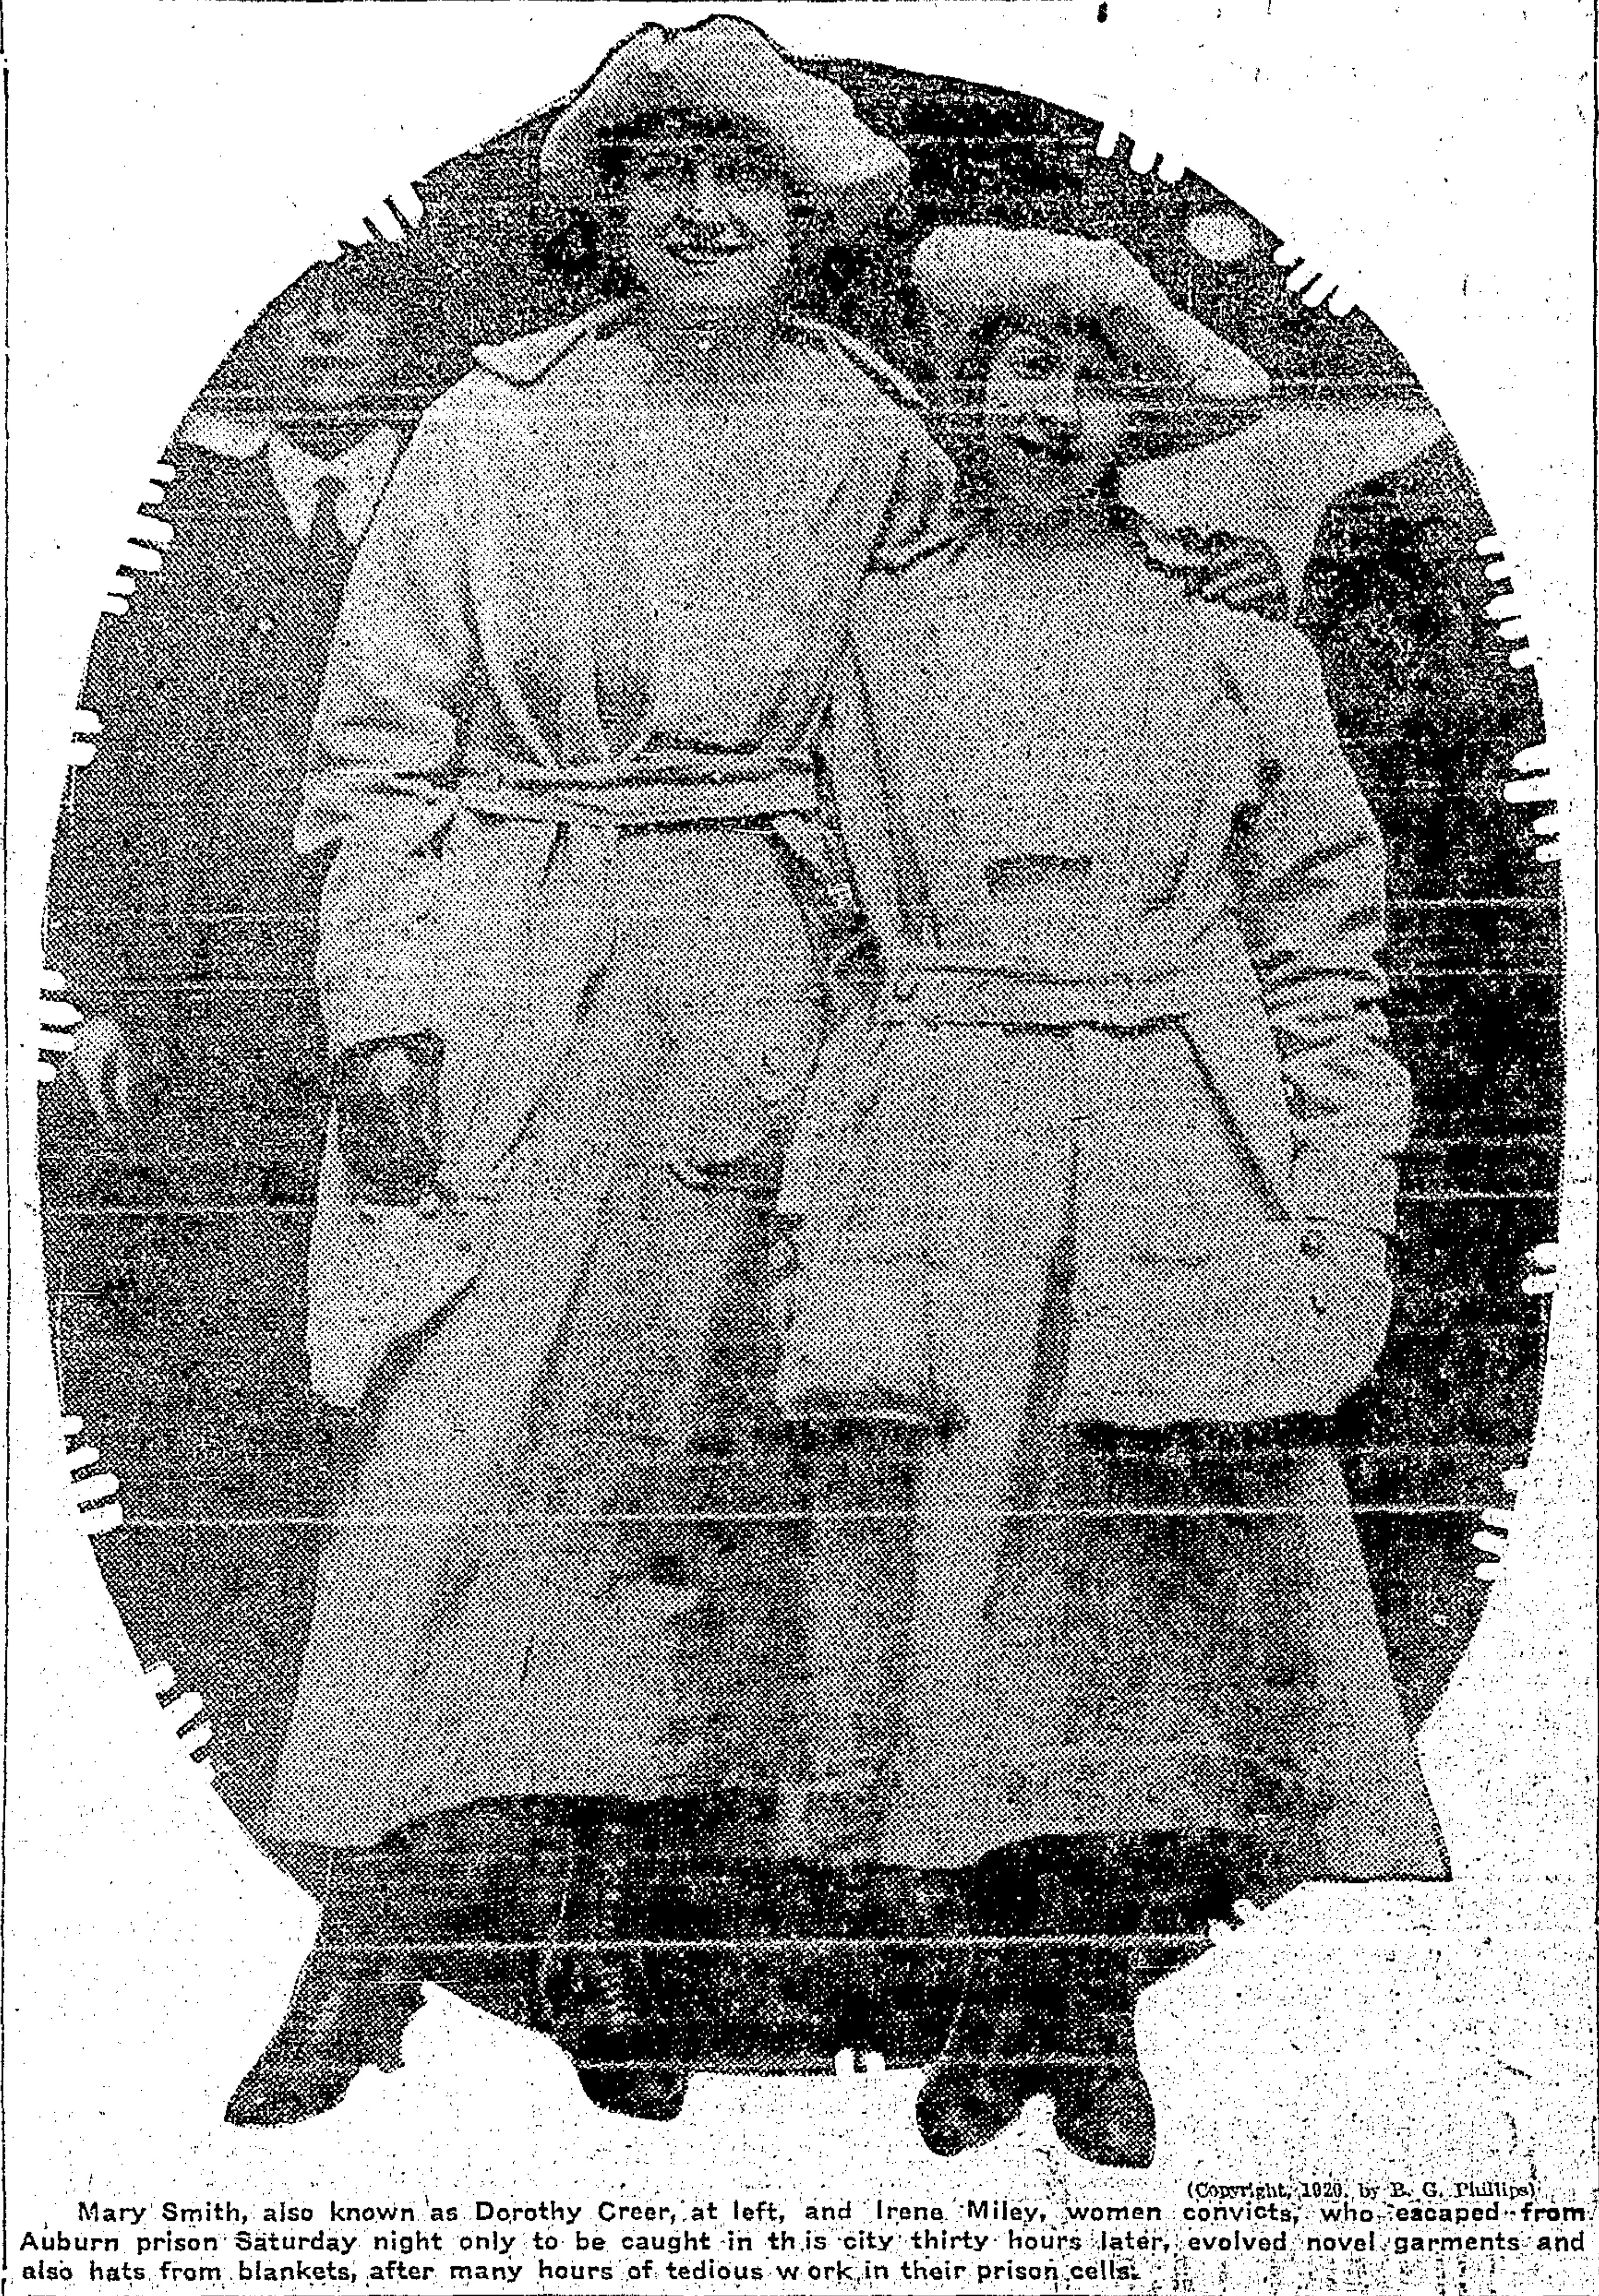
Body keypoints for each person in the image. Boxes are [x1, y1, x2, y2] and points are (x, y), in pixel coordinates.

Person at [223, 13, 970, 2133]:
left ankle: (623, 1954)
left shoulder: (874, 438)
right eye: (667, 182)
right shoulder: (496, 425)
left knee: (699, 1462)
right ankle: (359, 1952)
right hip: (519, 962)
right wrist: (383, 1012)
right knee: (446, 1453)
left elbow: (930, 717)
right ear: (611, 211)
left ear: (801, 208)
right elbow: (382, 741)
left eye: (746, 182)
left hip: (768, 972)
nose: (710, 215)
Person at [774, 227, 1449, 2165]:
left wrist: (1337, 1176)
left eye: (1090, 371)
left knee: (1146, 1581)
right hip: (947, 1122)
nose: (1050, 408)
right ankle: (988, 1998)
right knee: (953, 1571)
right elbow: (830, 897)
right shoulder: (877, 629)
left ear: (1138, 411)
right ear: (966, 397)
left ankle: (1101, 1999)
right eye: (1013, 368)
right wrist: (854, 1115)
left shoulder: (1237, 636)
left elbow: (1324, 929)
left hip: (1169, 1137)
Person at [43, 248, 419, 1672]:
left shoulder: (449, 491)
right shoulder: (175, 507)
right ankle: (247, 1631)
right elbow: (110, 761)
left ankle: (382, 1645)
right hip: (219, 997)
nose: (329, 328)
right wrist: (111, 990)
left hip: (400, 973)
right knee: (231, 1302)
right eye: (302, 295)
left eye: (363, 299)